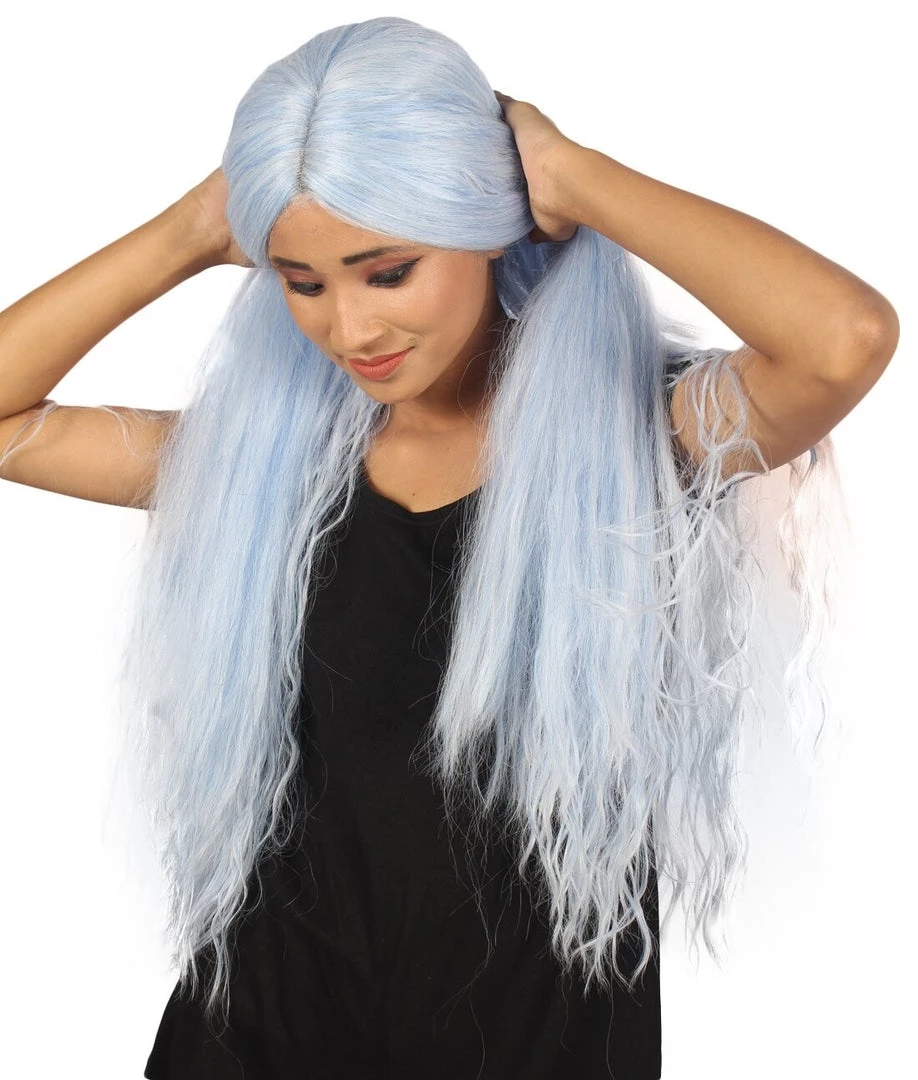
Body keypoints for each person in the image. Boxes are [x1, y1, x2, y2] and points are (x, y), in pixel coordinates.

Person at [0, 15, 898, 1080]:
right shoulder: (266, 474)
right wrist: (190, 231)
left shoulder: (636, 440)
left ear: (482, 229)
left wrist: (569, 179)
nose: (349, 329)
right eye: (303, 282)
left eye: (387, 272)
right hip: (252, 1044)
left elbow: (843, 340)